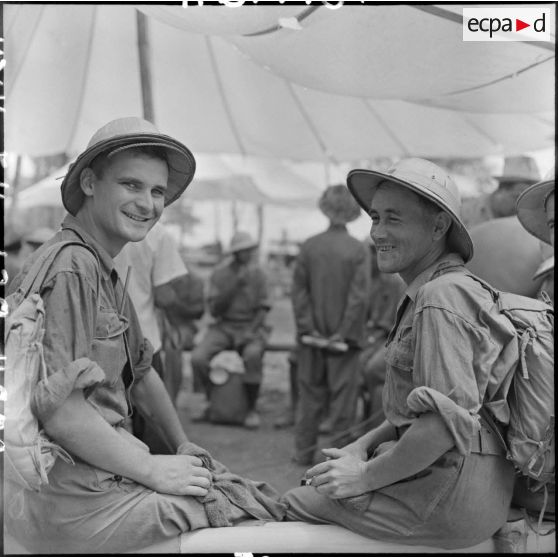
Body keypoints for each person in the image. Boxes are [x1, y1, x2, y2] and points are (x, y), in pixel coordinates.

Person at [5, 118, 284, 554]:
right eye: (131, 185)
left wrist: (181, 443)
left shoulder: (105, 268)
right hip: (77, 500)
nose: (148, 203)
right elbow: (60, 410)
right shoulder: (73, 266)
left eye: (157, 192)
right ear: (90, 182)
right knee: (254, 509)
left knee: (230, 487)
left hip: (93, 480)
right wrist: (152, 468)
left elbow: (144, 369)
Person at [282, 158, 519, 549]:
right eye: (375, 218)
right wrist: (361, 446)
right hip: (458, 486)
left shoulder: (440, 297)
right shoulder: (431, 291)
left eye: (394, 219)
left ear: (439, 226)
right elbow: (420, 409)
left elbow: (444, 425)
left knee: (293, 502)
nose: (378, 232)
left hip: (449, 500)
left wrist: (364, 477)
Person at [290, 184, 370, 466]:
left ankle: (303, 452)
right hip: (344, 342)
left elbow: (299, 292)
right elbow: (358, 298)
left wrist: (307, 327)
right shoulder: (358, 250)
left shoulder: (310, 246)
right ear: (353, 213)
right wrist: (343, 331)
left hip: (310, 337)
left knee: (309, 397)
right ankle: (339, 458)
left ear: (324, 208)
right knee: (342, 403)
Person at [114, 221, 202, 453]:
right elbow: (164, 296)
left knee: (110, 424)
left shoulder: (91, 229)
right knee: (154, 425)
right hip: (145, 342)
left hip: (105, 342)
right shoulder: (157, 234)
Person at [190, 231, 271, 429]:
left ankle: (251, 408)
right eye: (243, 251)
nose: (247, 254)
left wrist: (250, 332)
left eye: (249, 250)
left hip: (250, 325)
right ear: (235, 253)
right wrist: (235, 285)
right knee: (198, 357)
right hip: (224, 325)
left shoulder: (259, 274)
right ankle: (210, 400)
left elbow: (263, 309)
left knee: (252, 355)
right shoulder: (220, 274)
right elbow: (215, 310)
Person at [358, 237, 405, 428]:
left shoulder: (395, 282)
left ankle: (373, 427)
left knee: (371, 369)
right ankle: (364, 421)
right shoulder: (372, 282)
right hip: (375, 336)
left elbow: (394, 326)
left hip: (392, 339)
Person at [461, 155, 540, 228]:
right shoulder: (466, 212)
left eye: (529, 200)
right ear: (502, 190)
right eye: (517, 197)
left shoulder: (527, 221)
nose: (521, 206)